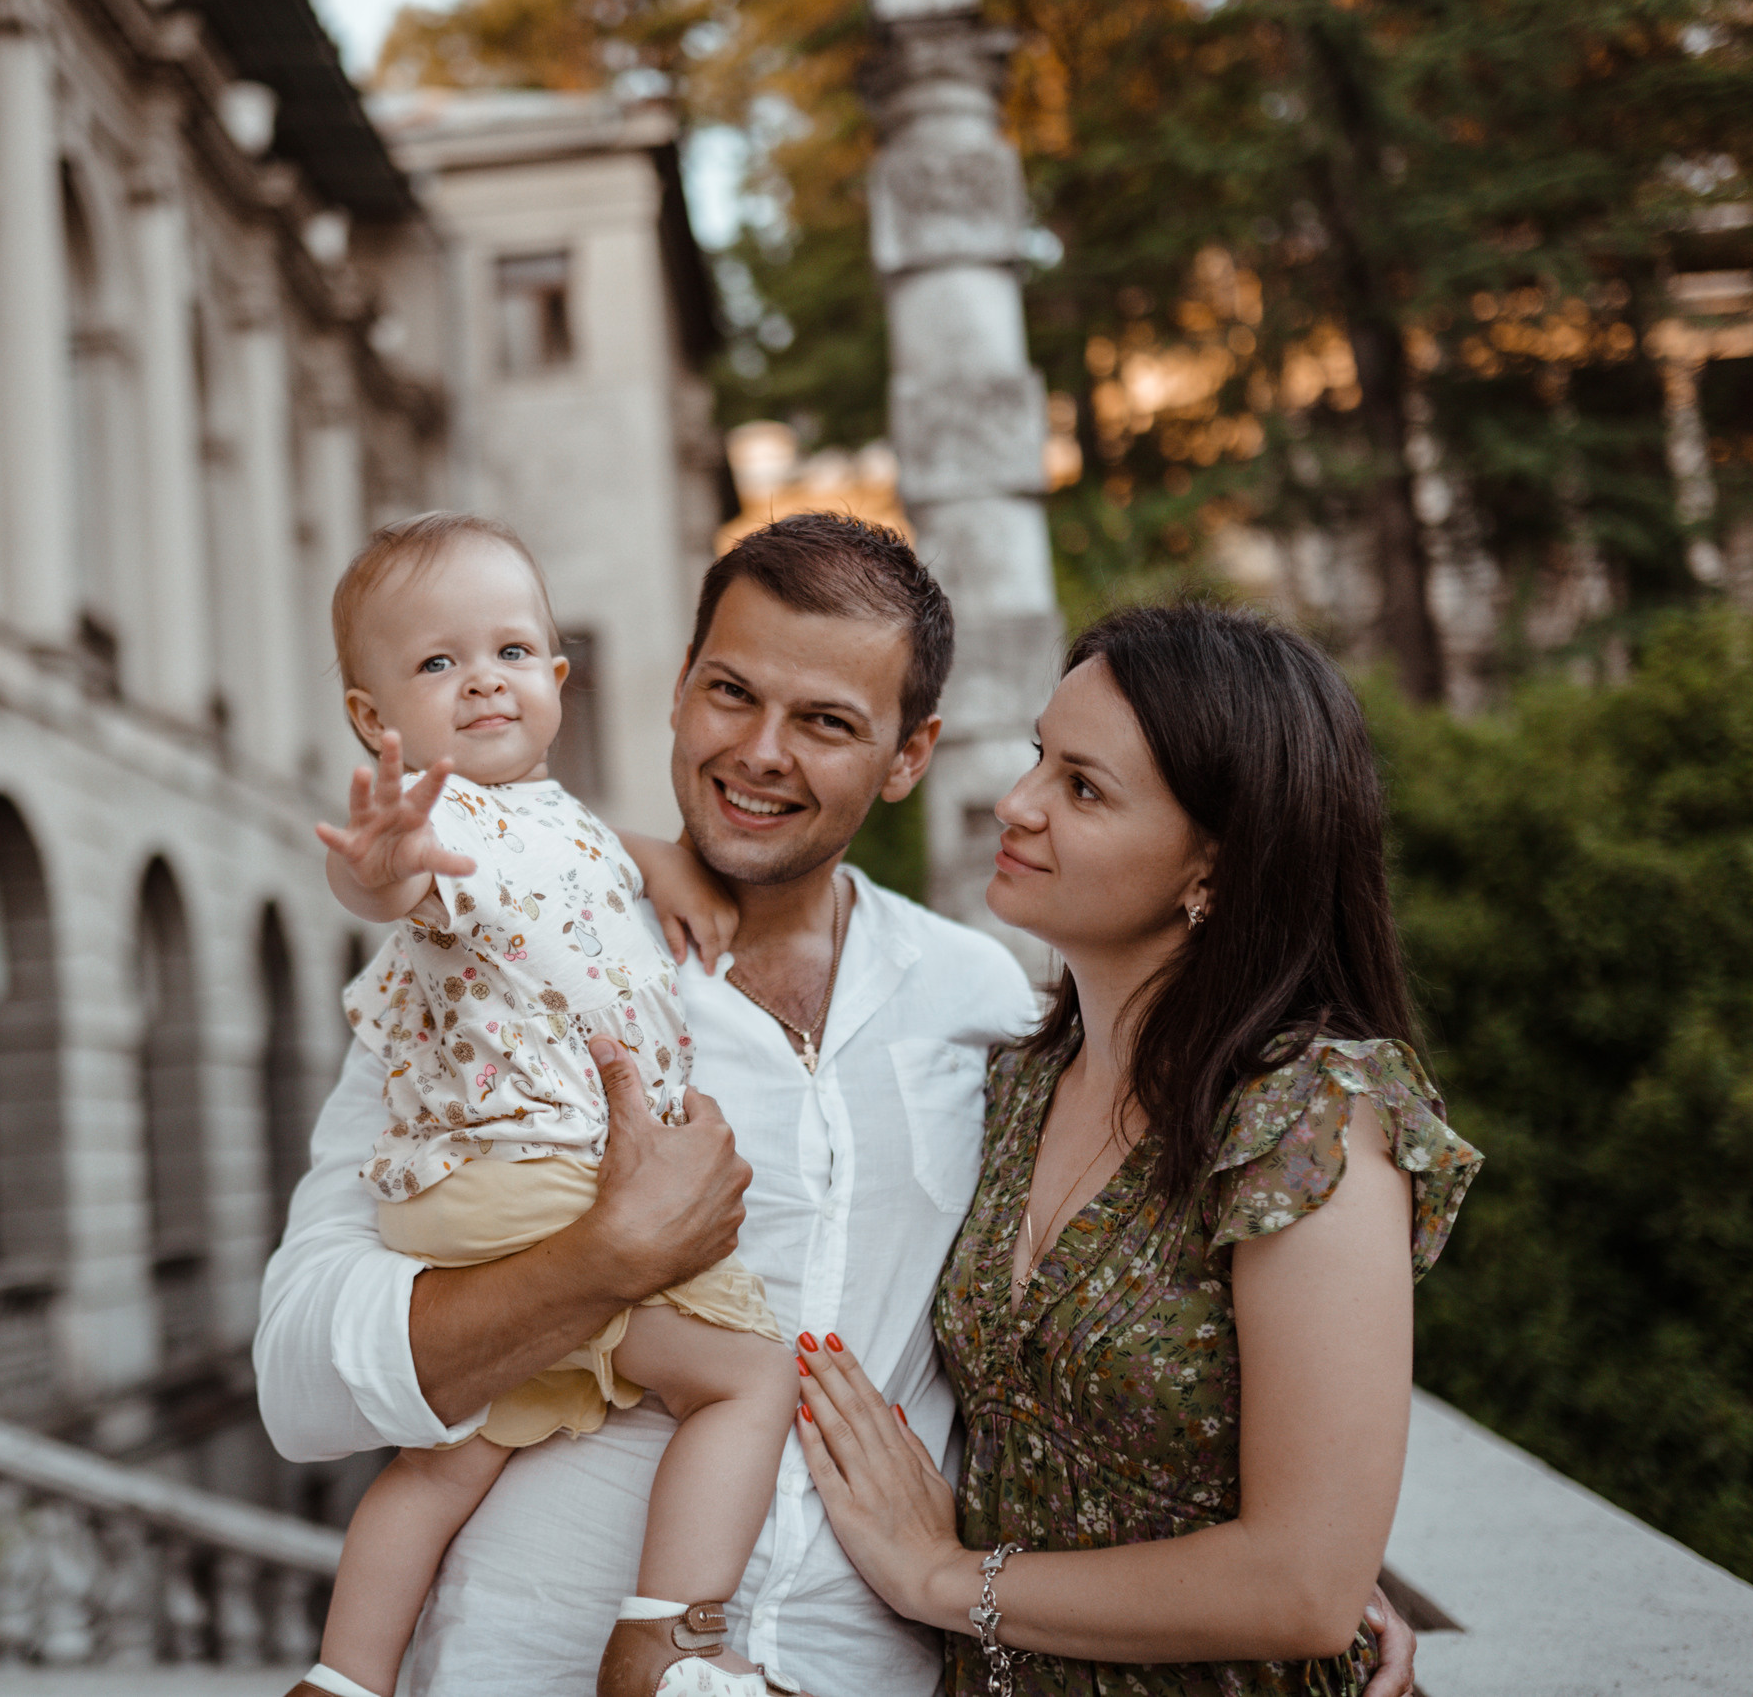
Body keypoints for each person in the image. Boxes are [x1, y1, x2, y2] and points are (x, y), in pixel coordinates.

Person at [257, 516, 1424, 1696]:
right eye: (731, 693)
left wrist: (1291, 1575)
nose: (762, 752)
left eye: (824, 722)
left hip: (869, 1670)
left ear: (907, 755)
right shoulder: (499, 972)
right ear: (677, 690)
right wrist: (601, 1261)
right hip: (535, 1658)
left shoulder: (982, 1003)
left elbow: (1095, 1345)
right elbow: (302, 1379)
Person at [790, 602, 1482, 1695]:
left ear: (1213, 864)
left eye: (1082, 788)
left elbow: (1301, 1586)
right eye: (1037, 759)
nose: (1014, 806)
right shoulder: (1013, 1081)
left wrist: (943, 1578)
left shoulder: (1308, 1117)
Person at [295, 512, 800, 1697]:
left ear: (556, 678)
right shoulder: (432, 822)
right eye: (436, 663)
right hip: (537, 1176)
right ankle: (670, 1644)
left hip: (466, 1197)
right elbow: (402, 879)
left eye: (512, 653)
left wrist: (657, 861)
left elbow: (565, 848)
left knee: (443, 1463)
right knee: (746, 1376)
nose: (482, 680)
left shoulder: (558, 822)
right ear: (376, 721)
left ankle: (342, 1679)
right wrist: (373, 865)